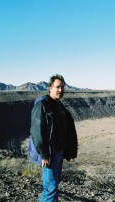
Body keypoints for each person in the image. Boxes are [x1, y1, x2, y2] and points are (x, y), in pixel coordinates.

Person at [30, 74, 78, 202]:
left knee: (54, 186)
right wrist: (44, 154)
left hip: (58, 152)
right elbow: (37, 132)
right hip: (49, 154)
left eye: (62, 87)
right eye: (58, 87)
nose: (61, 90)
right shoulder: (42, 105)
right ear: (50, 87)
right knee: (50, 189)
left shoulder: (58, 105)